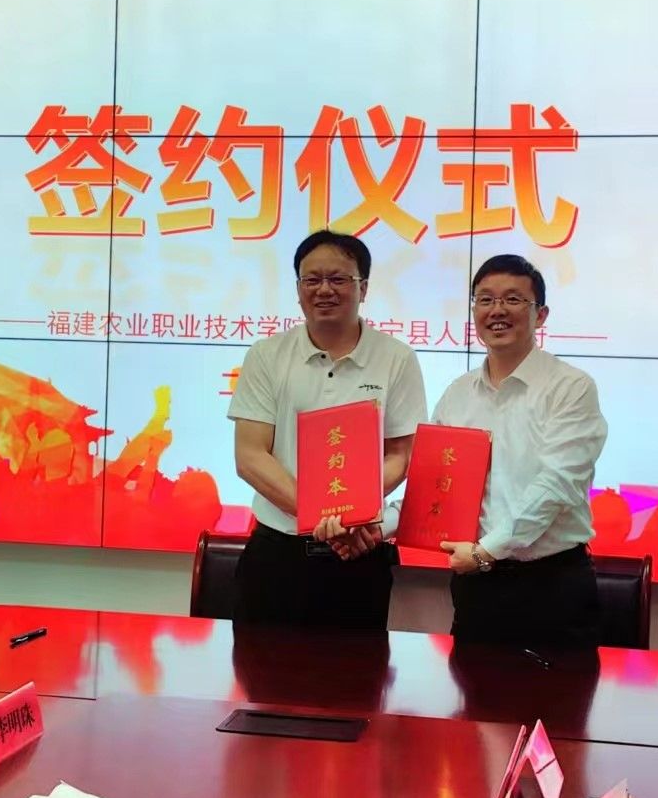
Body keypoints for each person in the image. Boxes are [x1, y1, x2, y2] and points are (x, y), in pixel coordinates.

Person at [227, 230, 426, 630]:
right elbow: (250, 456)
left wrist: (352, 516)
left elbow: (401, 455)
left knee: (357, 669)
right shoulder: (266, 356)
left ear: (363, 288)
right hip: (277, 553)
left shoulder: (396, 359)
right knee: (260, 667)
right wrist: (321, 514)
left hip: (359, 555)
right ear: (298, 289)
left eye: (338, 279)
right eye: (312, 279)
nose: (324, 290)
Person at [436, 254, 608, 648]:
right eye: (485, 299)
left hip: (551, 585)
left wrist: (486, 551)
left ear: (540, 315)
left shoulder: (570, 387)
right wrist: (375, 525)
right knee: (470, 685)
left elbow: (557, 485)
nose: (497, 310)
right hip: (476, 587)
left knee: (561, 688)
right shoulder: (457, 394)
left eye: (513, 299)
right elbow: (438, 483)